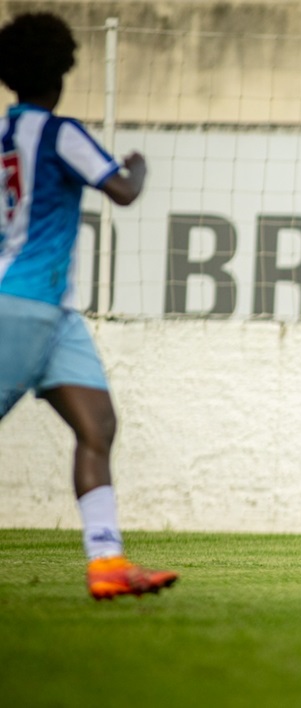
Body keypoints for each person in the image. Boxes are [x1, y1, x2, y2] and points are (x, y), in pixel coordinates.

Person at [0, 12, 178, 600]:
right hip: (22, 303)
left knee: (98, 424)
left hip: (57, 313)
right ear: (64, 70)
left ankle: (106, 564)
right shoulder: (59, 131)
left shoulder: (6, 136)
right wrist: (139, 165)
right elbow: (121, 190)